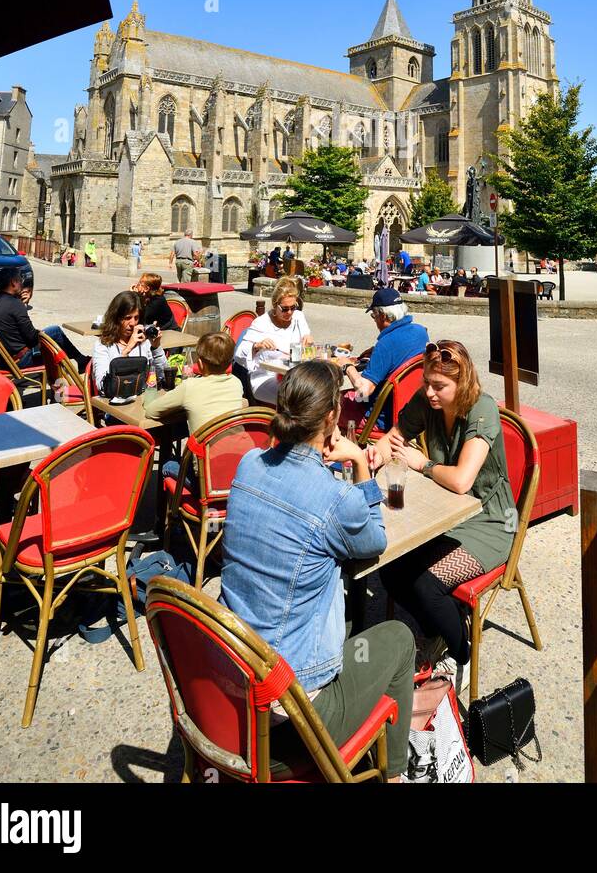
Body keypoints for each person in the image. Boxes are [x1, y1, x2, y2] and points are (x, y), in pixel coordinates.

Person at [220, 361, 415, 782]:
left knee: (337, 599)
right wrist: (361, 466)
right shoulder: (334, 500)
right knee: (398, 637)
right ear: (332, 417)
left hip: (228, 685)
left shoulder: (249, 464)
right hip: (291, 722)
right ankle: (395, 774)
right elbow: (374, 540)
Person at [370, 339, 516, 673]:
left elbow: (463, 481)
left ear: (461, 383)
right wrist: (370, 456)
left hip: (491, 522)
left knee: (425, 584)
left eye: (439, 386)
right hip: (446, 515)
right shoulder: (428, 402)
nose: (430, 392)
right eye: (426, 383)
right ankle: (439, 625)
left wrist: (421, 464)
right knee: (389, 568)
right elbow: (393, 438)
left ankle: (459, 651)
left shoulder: (482, 409)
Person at [338, 288, 430, 433]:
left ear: (382, 315)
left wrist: (347, 366)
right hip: (410, 409)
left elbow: (363, 392)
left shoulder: (386, 344)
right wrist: (377, 352)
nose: (375, 321)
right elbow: (402, 351)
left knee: (326, 404)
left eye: (374, 316)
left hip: (381, 418)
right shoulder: (420, 332)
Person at [0, 268, 89, 373]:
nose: (22, 284)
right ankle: (80, 361)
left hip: (3, 359)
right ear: (13, 282)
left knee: (50, 335)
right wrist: (39, 332)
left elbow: (13, 327)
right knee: (55, 331)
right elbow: (32, 339)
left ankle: (80, 361)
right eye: (20, 280)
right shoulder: (15, 304)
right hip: (20, 360)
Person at [234, 276, 313, 407]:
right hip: (266, 377)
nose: (289, 312)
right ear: (275, 305)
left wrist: (308, 339)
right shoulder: (262, 323)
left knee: (318, 392)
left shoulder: (298, 317)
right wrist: (257, 346)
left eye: (293, 307)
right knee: (296, 399)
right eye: (285, 308)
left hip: (294, 377)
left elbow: (306, 339)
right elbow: (239, 354)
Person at [152, 330, 243, 438]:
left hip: (206, 453)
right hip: (237, 450)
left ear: (199, 364)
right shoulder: (236, 383)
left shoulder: (189, 386)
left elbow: (152, 411)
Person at [92, 291, 168, 396]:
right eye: (127, 318)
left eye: (136, 318)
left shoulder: (144, 342)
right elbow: (102, 386)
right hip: (116, 404)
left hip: (143, 400)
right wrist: (127, 349)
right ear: (116, 318)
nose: (132, 323)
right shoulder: (103, 344)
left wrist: (156, 348)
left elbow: (163, 377)